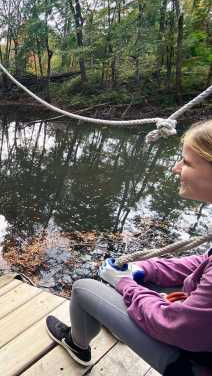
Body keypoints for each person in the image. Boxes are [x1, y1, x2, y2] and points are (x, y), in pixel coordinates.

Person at [45, 120, 212, 376]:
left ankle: (76, 345)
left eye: (187, 163)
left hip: (193, 365)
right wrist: (143, 269)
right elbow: (203, 262)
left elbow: (176, 326)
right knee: (133, 281)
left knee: (82, 289)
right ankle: (125, 318)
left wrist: (125, 284)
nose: (175, 168)